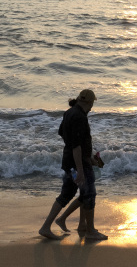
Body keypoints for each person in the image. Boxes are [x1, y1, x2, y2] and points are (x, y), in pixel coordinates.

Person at [39, 89, 107, 241]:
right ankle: (90, 231)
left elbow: (65, 135)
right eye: (92, 104)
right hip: (78, 164)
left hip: (70, 162)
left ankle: (46, 227)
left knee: (66, 195)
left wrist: (89, 156)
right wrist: (81, 170)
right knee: (89, 194)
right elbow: (76, 146)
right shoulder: (79, 117)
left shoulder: (70, 112)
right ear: (89, 102)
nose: (92, 107)